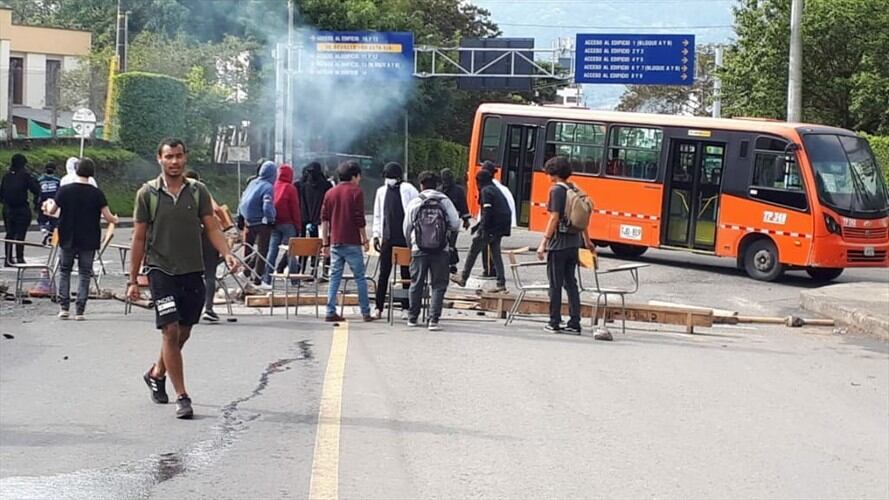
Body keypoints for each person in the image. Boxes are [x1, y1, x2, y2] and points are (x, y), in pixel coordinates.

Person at [128, 138, 238, 419]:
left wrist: (226, 253)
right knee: (170, 330)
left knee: (184, 331)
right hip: (160, 270)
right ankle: (182, 396)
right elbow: (139, 237)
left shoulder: (198, 191)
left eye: (178, 156)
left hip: (192, 270)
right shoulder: (147, 194)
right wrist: (132, 279)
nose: (174, 161)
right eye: (169, 157)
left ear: (185, 158)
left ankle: (156, 373)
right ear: (159, 159)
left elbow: (212, 227)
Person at [45, 158, 118, 320]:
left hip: (67, 236)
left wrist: (47, 206)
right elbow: (108, 217)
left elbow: (52, 210)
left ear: (76, 170)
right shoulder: (97, 193)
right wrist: (115, 219)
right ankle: (80, 310)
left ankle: (64, 307)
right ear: (92, 173)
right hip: (89, 237)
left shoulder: (65, 190)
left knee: (65, 271)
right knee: (85, 273)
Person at [535, 156, 595, 336]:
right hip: (574, 243)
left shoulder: (556, 191)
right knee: (571, 283)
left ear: (552, 174)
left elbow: (554, 217)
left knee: (555, 283)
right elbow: (582, 219)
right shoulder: (575, 188)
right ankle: (574, 322)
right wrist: (588, 241)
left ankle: (554, 322)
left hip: (558, 244)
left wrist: (543, 243)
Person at [403, 171, 460, 331]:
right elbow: (456, 224)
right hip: (441, 249)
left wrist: (412, 245)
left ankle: (412, 318)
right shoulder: (445, 201)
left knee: (416, 283)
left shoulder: (415, 202)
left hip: (418, 248)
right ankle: (433, 320)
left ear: (421, 185)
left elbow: (406, 227)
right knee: (439, 284)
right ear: (437, 184)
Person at [320, 161, 375, 322]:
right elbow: (360, 219)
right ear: (354, 176)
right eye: (358, 177)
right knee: (360, 277)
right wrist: (365, 240)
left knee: (334, 277)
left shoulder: (330, 193)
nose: (359, 180)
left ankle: (330, 311)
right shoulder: (356, 192)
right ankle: (365, 311)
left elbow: (324, 220)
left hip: (336, 241)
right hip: (352, 241)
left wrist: (325, 243)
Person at [371, 162, 418, 319]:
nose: (388, 180)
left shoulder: (409, 190)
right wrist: (376, 235)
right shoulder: (381, 191)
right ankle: (378, 307)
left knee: (406, 274)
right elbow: (378, 215)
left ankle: (406, 307)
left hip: (404, 238)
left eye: (391, 177)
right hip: (387, 237)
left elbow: (415, 212)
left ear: (398, 178)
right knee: (384, 273)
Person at [451, 169, 511, 292]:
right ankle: (501, 283)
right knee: (495, 253)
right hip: (500, 226)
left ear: (479, 181)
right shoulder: (494, 189)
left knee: (474, 249)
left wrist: (482, 228)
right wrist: (477, 225)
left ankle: (463, 278)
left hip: (491, 227)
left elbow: (487, 211)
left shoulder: (486, 191)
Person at [184, 171, 224, 323]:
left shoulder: (178, 193)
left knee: (187, 273)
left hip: (187, 238)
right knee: (209, 273)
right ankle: (208, 308)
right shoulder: (202, 191)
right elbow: (217, 210)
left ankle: (188, 308)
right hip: (207, 235)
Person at [238, 160, 276, 287]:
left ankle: (245, 272)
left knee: (248, 249)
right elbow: (267, 205)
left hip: (248, 221)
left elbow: (242, 199)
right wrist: (270, 219)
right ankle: (258, 280)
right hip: (261, 222)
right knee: (262, 250)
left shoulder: (253, 182)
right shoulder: (268, 187)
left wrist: (241, 217)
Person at [263, 163, 301, 285]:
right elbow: (295, 208)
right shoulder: (290, 188)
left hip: (274, 222)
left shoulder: (272, 186)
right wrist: (298, 226)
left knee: (272, 251)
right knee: (291, 252)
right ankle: (294, 281)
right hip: (288, 224)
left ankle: (267, 279)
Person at [0, 154, 40, 265]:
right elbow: (36, 189)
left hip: (8, 209)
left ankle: (8, 259)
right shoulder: (25, 175)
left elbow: (1, 193)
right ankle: (19, 257)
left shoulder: (6, 176)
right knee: (20, 234)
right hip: (21, 208)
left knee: (9, 234)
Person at [479, 161, 516, 277]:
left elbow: (487, 209)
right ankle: (498, 275)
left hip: (492, 223)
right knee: (495, 249)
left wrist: (482, 225)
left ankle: (489, 270)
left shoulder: (488, 187)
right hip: (501, 223)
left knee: (487, 247)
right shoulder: (502, 188)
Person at [298, 161, 332, 277]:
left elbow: (302, 205)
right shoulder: (327, 185)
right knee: (324, 245)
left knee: (310, 246)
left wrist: (305, 219)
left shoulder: (303, 185)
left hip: (309, 221)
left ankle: (307, 269)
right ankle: (325, 270)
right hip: (323, 221)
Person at [439, 168, 471, 274]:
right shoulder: (439, 190)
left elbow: (463, 205)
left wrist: (466, 220)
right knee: (444, 244)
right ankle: (445, 263)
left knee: (451, 244)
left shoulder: (457, 190)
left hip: (453, 222)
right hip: (441, 222)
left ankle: (452, 263)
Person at [37, 162, 61, 245]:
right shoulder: (57, 180)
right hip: (54, 204)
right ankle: (53, 241)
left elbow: (37, 192)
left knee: (42, 220)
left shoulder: (40, 180)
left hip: (43, 203)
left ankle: (44, 230)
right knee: (55, 223)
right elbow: (60, 192)